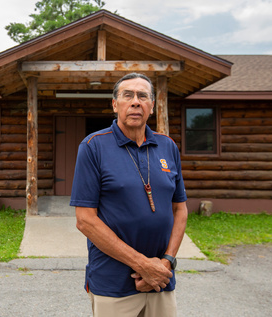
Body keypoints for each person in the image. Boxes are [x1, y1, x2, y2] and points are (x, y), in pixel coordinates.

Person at [70, 73, 188, 317]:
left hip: (161, 280)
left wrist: (166, 262)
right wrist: (143, 265)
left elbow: (180, 209)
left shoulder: (168, 146)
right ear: (115, 105)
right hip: (113, 284)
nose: (136, 102)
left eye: (143, 96)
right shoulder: (93, 146)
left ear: (152, 106)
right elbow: (85, 220)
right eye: (128, 95)